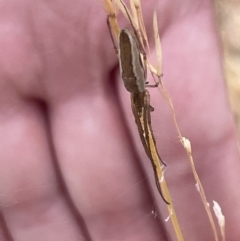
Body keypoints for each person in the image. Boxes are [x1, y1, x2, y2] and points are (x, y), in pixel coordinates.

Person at [0, 0, 239, 240]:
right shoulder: (138, 88)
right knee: (142, 120)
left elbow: (141, 83)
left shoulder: (137, 87)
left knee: (142, 116)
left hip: (129, 53)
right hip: (131, 54)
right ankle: (156, 167)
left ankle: (157, 167)